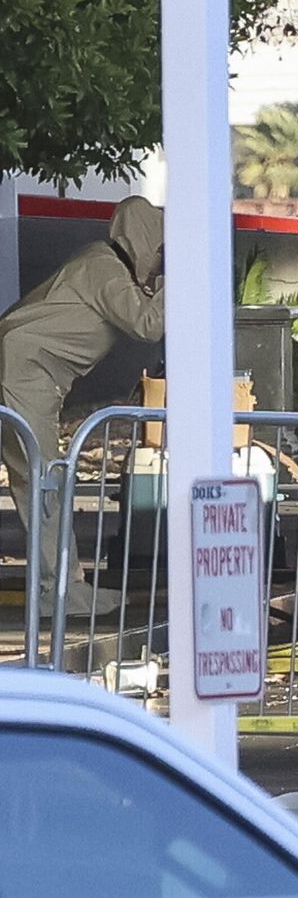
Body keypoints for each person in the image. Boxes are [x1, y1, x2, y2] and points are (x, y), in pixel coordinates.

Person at [0, 197, 164, 616]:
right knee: (43, 481)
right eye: (160, 250)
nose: (160, 260)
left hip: (25, 368)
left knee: (35, 478)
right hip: (26, 370)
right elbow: (148, 324)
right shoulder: (104, 267)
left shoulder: (101, 264)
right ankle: (62, 592)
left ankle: (62, 587)